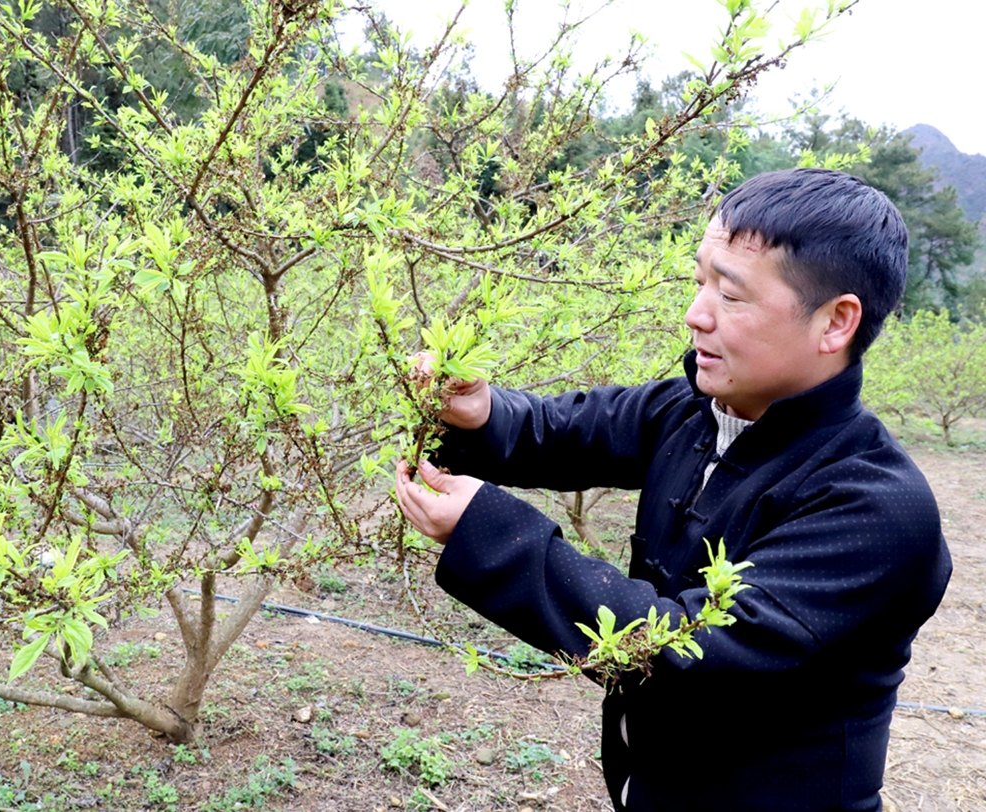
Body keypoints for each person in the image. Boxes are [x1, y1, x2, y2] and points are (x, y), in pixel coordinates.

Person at [394, 168, 952, 812]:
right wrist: (484, 412)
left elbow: (692, 651)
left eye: (732, 297)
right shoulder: (695, 409)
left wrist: (487, 530)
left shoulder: (874, 507)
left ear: (835, 322)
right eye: (699, 284)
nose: (695, 316)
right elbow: (562, 429)